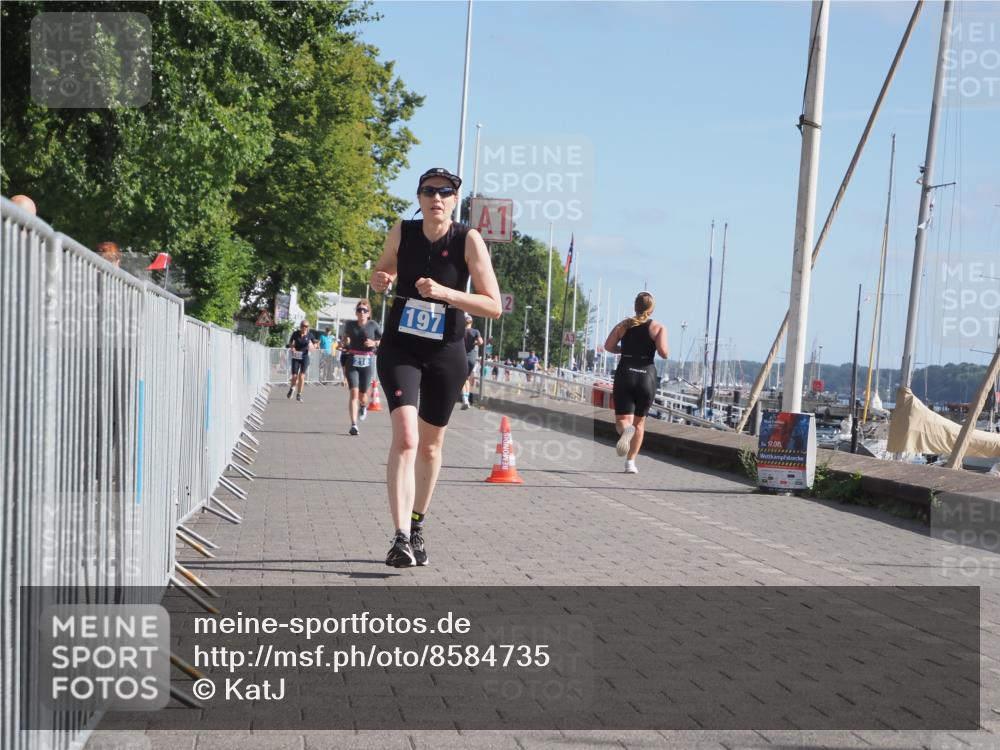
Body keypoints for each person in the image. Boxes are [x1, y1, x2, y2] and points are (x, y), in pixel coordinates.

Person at [370, 167, 501, 568]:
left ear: (455, 199)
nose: (436, 198)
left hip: (446, 350)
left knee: (430, 445)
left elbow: (493, 304)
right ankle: (399, 538)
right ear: (419, 197)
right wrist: (380, 279)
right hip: (401, 347)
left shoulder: (468, 240)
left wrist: (446, 293)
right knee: (407, 439)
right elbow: (382, 270)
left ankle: (417, 524)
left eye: (444, 192)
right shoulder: (403, 231)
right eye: (428, 191)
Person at [603, 292, 669, 473]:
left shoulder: (624, 324)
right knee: (640, 423)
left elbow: (608, 346)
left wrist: (623, 349)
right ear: (652, 308)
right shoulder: (658, 327)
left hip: (626, 372)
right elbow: (664, 352)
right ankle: (630, 463)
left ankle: (625, 431)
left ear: (635, 307)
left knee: (623, 421)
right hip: (646, 375)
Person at [342, 299, 382, 435]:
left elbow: (384, 341)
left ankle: (363, 406)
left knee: (362, 395)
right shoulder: (350, 325)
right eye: (359, 310)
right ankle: (354, 425)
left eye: (364, 310)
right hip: (352, 360)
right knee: (353, 393)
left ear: (368, 313)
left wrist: (374, 343)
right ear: (356, 312)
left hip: (367, 361)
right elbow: (344, 340)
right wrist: (345, 342)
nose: (361, 313)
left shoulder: (373, 325)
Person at [287, 320, 317, 401]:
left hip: (305, 357)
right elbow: (290, 342)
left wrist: (313, 346)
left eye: (306, 326)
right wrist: (292, 347)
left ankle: (299, 394)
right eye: (303, 326)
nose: (304, 328)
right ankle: (292, 388)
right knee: (294, 376)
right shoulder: (295, 333)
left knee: (302, 376)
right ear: (300, 326)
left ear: (308, 327)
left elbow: (315, 344)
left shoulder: (310, 335)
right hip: (296, 356)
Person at [460, 313, 483, 409]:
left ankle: (465, 400)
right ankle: (467, 400)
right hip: (472, 358)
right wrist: (475, 342)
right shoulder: (475, 331)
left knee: (461, 379)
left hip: (462, 357)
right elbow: (481, 342)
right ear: (471, 322)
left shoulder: (461, 331)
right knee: (467, 379)